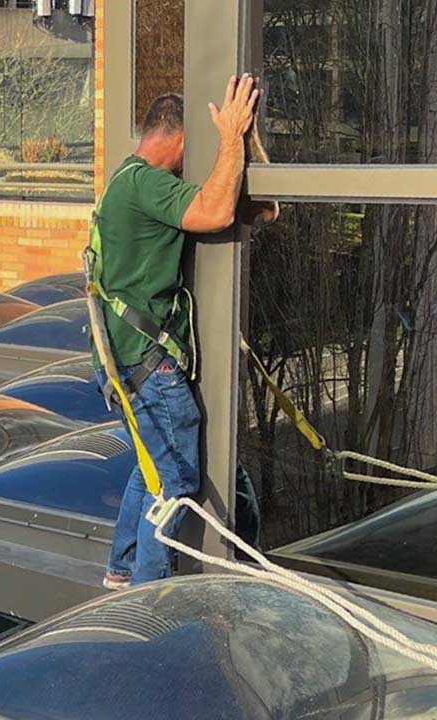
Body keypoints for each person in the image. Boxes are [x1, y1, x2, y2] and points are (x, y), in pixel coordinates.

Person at [95, 75, 277, 590]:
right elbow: (218, 210)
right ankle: (149, 596)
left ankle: (121, 570)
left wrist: (245, 146)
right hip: (153, 366)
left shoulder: (124, 185)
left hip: (127, 362)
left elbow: (262, 210)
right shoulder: (146, 183)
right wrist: (230, 138)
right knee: (176, 480)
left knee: (151, 468)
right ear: (176, 138)